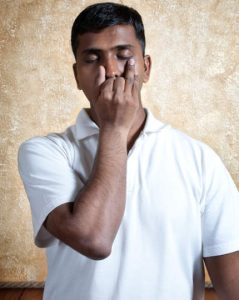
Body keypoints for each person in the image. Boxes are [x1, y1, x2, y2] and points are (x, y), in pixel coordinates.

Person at [18, 2, 239, 300]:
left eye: (123, 56)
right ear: (76, 75)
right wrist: (114, 128)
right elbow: (94, 239)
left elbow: (232, 284)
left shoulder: (199, 160)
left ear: (146, 68)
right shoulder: (45, 152)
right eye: (92, 58)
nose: (110, 71)